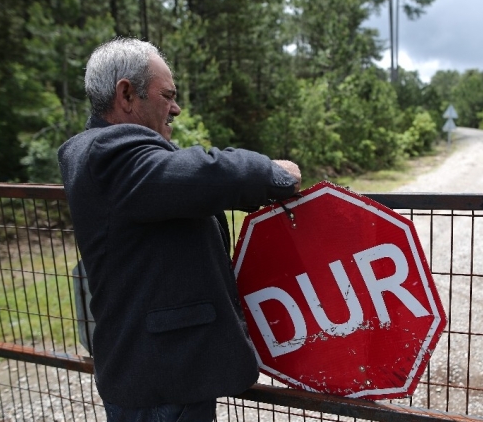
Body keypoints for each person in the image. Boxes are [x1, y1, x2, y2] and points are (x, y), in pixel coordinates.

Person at [58, 37, 301, 422]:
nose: (176, 108)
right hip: (161, 380)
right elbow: (198, 174)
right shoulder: (109, 151)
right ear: (126, 94)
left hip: (157, 373)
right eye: (167, 95)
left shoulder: (100, 151)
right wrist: (271, 173)